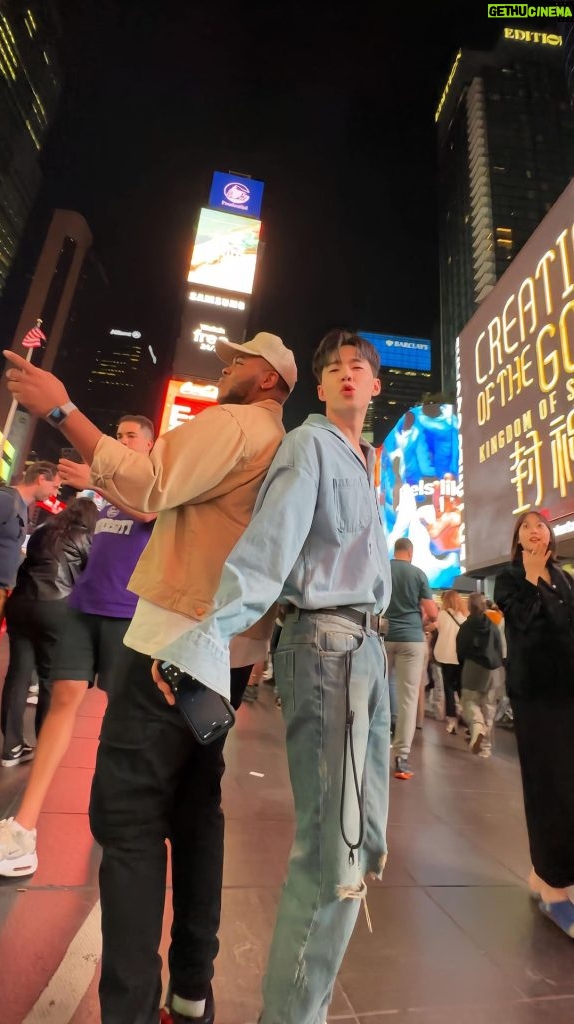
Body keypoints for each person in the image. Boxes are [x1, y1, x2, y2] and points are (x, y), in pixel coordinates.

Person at [2, 331, 296, 1024]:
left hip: (168, 638)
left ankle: (127, 1009)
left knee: (128, 825)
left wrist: (59, 408)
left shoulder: (233, 422)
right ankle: (191, 993)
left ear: (267, 380)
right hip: (223, 655)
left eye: (238, 360)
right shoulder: (280, 448)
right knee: (197, 818)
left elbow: (151, 481)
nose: (225, 366)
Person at [153, 329, 391, 1024]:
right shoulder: (308, 446)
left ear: (375, 386)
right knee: (334, 852)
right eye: (335, 368)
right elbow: (269, 549)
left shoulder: (366, 461)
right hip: (327, 648)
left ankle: (301, 1004)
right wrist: (204, 639)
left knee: (364, 841)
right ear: (318, 387)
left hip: (368, 653)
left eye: (359, 367)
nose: (347, 375)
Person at [0, 415, 155, 879]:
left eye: (130, 436)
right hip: (80, 608)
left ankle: (119, 820)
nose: (122, 440)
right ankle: (23, 827)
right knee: (61, 702)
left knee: (124, 721)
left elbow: (150, 512)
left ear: (149, 445)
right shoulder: (99, 498)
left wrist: (100, 480)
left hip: (129, 616)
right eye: (119, 434)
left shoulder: (154, 484)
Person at [494, 510, 574, 939]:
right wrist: (530, 575)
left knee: (568, 786)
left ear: (550, 535)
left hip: (568, 694)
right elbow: (521, 624)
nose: (533, 530)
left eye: (540, 524)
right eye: (524, 526)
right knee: (548, 787)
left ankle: (548, 874)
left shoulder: (565, 579)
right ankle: (554, 891)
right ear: (518, 539)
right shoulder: (509, 579)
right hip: (535, 697)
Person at [0, 496, 98, 770]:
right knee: (48, 678)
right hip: (56, 608)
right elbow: (90, 577)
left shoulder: (43, 530)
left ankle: (11, 748)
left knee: (17, 676)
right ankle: (45, 744)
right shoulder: (86, 536)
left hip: (20, 604)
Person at [385, 537, 437, 779]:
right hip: (412, 639)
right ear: (411, 552)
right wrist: (423, 621)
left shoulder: (383, 568)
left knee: (378, 690)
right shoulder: (418, 574)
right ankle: (401, 757)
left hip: (383, 636)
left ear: (395, 551)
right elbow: (433, 612)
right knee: (408, 698)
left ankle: (372, 744)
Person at [0, 461, 60, 622]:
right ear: (41, 479)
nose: (54, 494)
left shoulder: (21, 506)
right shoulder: (5, 500)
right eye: (54, 487)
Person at [455, 592, 503, 758]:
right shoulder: (493, 625)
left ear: (469, 607)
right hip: (493, 671)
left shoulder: (466, 627)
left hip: (472, 668)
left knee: (469, 701)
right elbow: (500, 649)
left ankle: (476, 725)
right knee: (489, 707)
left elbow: (460, 650)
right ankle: (485, 748)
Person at [434, 589, 467, 734]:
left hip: (445, 657)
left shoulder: (441, 615)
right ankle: (466, 717)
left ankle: (452, 721)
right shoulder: (464, 616)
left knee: (448, 688)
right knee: (461, 688)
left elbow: (437, 629)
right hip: (460, 657)